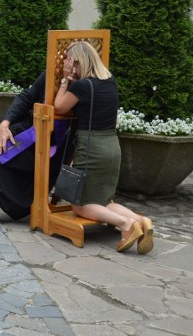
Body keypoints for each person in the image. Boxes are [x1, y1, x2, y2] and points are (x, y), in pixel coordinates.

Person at [53, 41, 153, 254]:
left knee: (79, 205)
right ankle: (141, 222)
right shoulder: (110, 81)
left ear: (78, 62)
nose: (71, 66)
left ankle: (125, 225)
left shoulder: (82, 86)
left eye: (72, 62)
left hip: (92, 147)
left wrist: (65, 80)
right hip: (112, 145)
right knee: (103, 200)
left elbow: (59, 106)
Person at [0, 71, 70, 222]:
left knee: (11, 154)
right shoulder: (50, 74)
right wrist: (5, 123)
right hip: (33, 130)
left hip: (57, 143)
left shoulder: (81, 83)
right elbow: (27, 97)